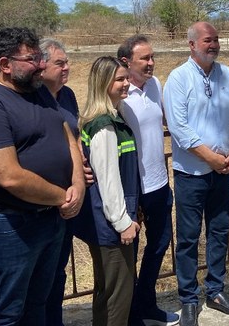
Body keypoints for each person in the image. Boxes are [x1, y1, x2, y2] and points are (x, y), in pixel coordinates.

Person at [0, 27, 86, 326]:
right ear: (5, 65)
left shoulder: (38, 91)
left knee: (37, 305)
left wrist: (77, 184)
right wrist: (64, 197)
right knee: (8, 313)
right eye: (32, 58)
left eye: (40, 57)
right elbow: (10, 176)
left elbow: (67, 134)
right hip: (10, 226)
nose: (41, 64)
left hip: (51, 218)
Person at [163, 22, 229, 326]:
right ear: (192, 45)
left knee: (219, 232)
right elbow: (179, 128)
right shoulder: (178, 78)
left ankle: (216, 290)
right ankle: (188, 299)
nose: (214, 45)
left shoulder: (227, 75)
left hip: (223, 170)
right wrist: (211, 157)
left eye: (216, 40)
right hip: (191, 173)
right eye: (208, 40)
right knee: (187, 238)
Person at [117, 35, 179, 326]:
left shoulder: (155, 85)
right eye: (146, 58)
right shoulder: (118, 94)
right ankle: (130, 314)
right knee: (128, 254)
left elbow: (168, 119)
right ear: (127, 62)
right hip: (133, 189)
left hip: (158, 183)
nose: (152, 63)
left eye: (153, 57)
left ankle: (146, 303)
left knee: (160, 244)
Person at [75, 56, 141, 326]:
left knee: (105, 291)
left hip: (107, 223)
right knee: (118, 297)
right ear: (104, 83)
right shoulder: (104, 126)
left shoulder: (112, 117)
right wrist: (123, 221)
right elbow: (108, 180)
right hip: (111, 226)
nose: (127, 83)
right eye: (120, 79)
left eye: (126, 78)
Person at [41, 39, 81, 326]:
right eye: (60, 63)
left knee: (58, 271)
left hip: (69, 200)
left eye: (66, 62)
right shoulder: (30, 97)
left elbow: (75, 137)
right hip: (41, 202)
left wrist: (82, 173)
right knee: (37, 277)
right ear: (40, 66)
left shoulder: (67, 95)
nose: (67, 67)